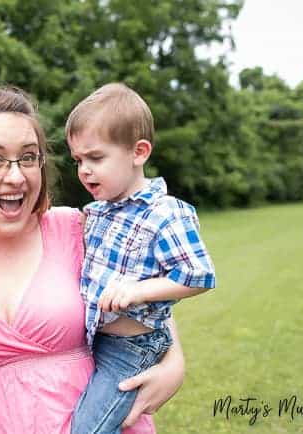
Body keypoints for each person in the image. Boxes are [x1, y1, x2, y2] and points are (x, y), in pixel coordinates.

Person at [0, 87, 186, 434]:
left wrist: (174, 365)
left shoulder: (77, 230)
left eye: (29, 157)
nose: (16, 176)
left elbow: (149, 309)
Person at [66, 83, 216, 434]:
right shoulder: (98, 213)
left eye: (96, 157)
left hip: (132, 348)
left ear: (139, 152)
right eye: (78, 160)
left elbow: (199, 275)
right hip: (96, 341)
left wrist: (138, 290)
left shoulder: (165, 213)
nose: (84, 170)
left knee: (88, 429)